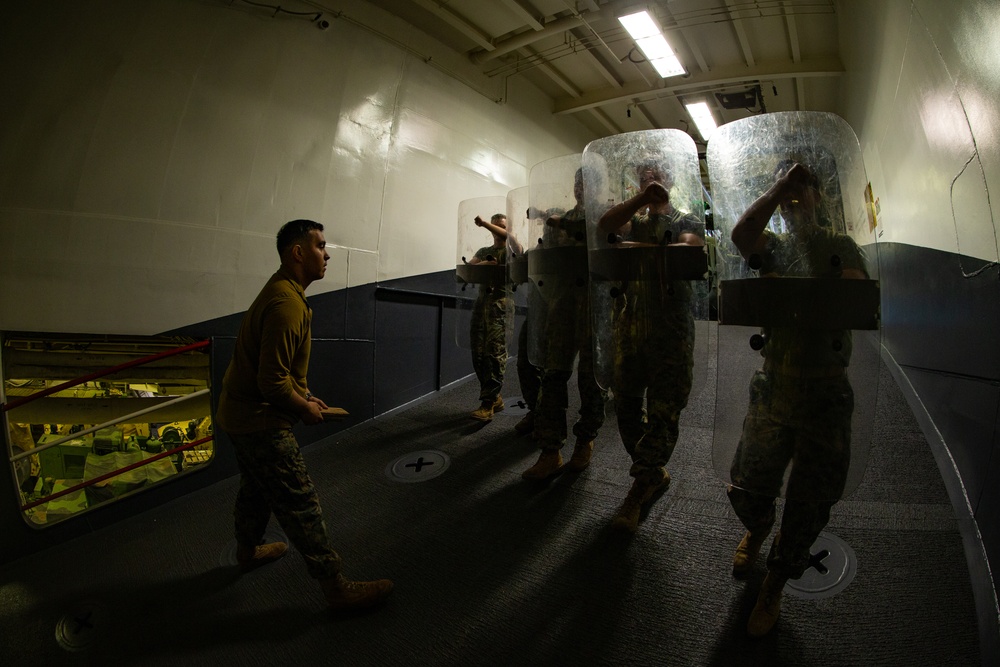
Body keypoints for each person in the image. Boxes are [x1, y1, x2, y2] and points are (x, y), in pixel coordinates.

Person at [216, 219, 393, 612]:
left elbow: (283, 374)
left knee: (256, 489)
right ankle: (336, 588)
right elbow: (271, 383)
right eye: (320, 246)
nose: (327, 254)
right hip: (260, 420)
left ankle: (246, 552)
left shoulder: (283, 291)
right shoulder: (288, 304)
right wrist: (303, 407)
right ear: (298, 252)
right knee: (300, 502)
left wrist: (307, 395)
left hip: (238, 416)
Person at [726, 161, 868, 637]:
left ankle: (775, 585)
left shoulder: (839, 244)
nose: (793, 199)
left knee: (810, 500)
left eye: (803, 189)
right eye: (789, 191)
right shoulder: (775, 247)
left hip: (825, 391)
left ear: (819, 198)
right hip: (775, 384)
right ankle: (759, 525)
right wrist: (779, 186)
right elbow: (742, 235)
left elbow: (850, 298)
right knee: (748, 483)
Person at [597, 160, 704, 532]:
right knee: (625, 405)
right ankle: (652, 470)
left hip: (670, 331)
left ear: (671, 180)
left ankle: (639, 488)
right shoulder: (635, 217)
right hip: (629, 327)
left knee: (663, 410)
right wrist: (640, 201)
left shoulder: (686, 217)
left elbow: (686, 252)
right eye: (644, 177)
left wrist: (630, 249)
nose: (651, 180)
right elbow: (606, 228)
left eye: (657, 175)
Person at [522, 168, 608, 479]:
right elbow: (547, 256)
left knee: (591, 380)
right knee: (553, 376)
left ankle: (585, 439)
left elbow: (594, 233)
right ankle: (550, 449)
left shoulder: (606, 216)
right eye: (577, 183)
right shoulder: (559, 220)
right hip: (560, 309)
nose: (581, 188)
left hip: (594, 311)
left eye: (588, 183)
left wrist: (552, 218)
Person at [468, 213, 514, 421]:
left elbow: (509, 237)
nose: (497, 230)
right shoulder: (485, 252)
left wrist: (485, 224)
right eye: (496, 226)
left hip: (500, 306)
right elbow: (467, 271)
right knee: (478, 354)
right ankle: (494, 397)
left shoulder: (512, 248)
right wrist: (483, 266)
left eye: (500, 227)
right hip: (481, 306)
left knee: (495, 354)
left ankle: (488, 404)